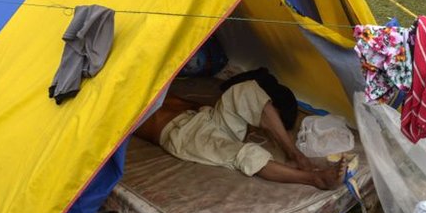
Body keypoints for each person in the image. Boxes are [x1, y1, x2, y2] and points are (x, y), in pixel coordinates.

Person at [135, 68, 347, 190]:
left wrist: (235, 115)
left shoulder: (159, 91)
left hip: (203, 117)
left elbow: (191, 105)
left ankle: (296, 155)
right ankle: (316, 179)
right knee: (243, 153)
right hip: (185, 135)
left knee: (245, 90)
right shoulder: (127, 109)